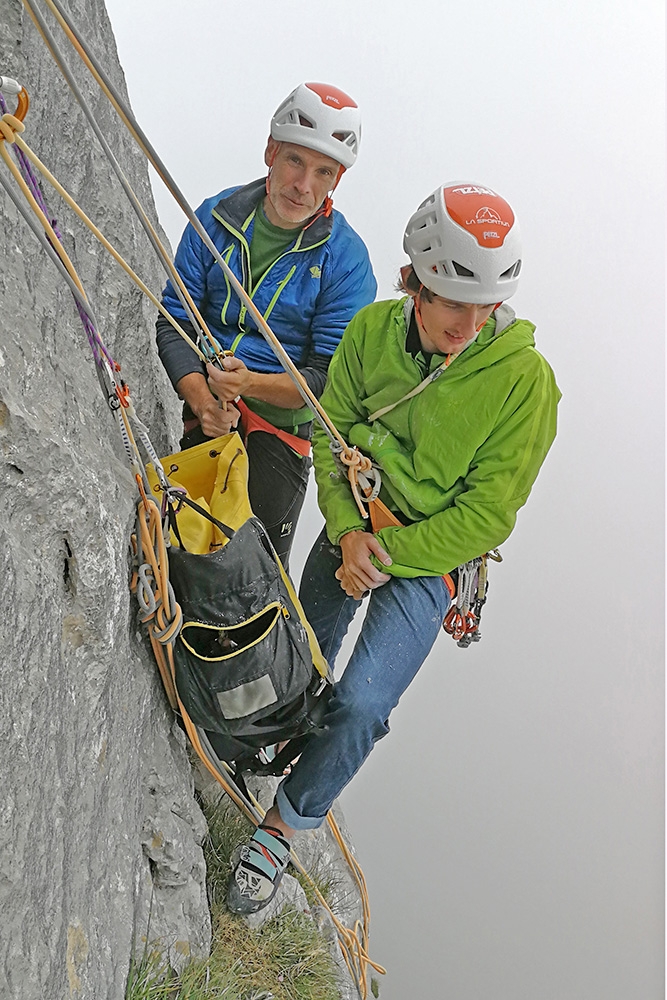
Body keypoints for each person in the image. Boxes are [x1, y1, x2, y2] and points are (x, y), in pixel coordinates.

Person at [226, 182, 561, 914]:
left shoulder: (524, 384)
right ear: (414, 281)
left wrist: (379, 552)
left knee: (363, 703)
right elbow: (330, 426)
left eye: (482, 306)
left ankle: (286, 824)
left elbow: (487, 514)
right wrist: (347, 531)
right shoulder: (374, 333)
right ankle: (262, 741)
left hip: (428, 558)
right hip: (360, 518)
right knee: (297, 648)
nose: (468, 323)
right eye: (450, 301)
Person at [156, 82, 376, 566]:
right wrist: (201, 399)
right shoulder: (216, 218)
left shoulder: (345, 260)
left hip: (280, 429)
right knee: (176, 551)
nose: (304, 186)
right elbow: (174, 320)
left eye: (324, 172)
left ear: (337, 179)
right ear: (271, 151)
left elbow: (325, 381)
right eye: (296, 161)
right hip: (203, 402)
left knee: (253, 572)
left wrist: (250, 383)